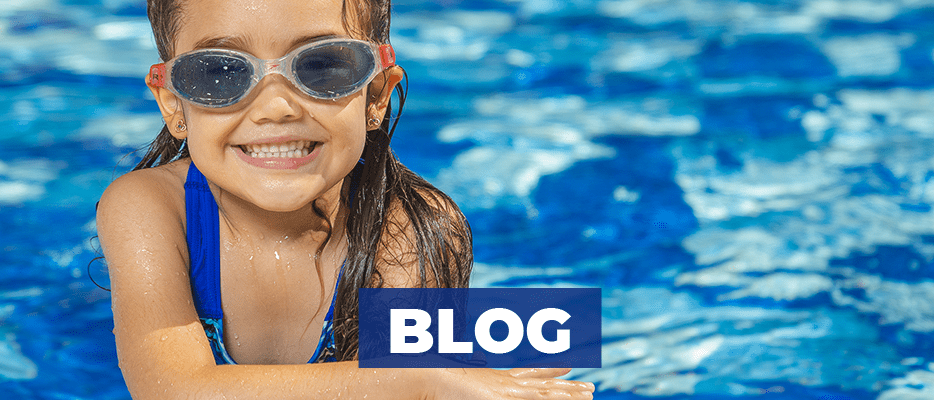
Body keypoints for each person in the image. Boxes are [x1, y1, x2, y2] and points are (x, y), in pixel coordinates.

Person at [95, 0, 597, 398]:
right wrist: (418, 383)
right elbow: (173, 390)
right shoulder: (149, 209)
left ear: (377, 93)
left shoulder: (409, 230)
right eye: (219, 72)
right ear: (173, 104)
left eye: (323, 66)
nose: (275, 107)